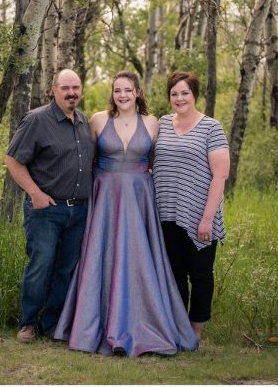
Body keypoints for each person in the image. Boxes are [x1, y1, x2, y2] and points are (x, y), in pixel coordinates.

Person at [51, 71, 198, 356]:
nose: (122, 96)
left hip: (140, 197)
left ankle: (146, 322)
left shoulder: (154, 123)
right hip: (105, 196)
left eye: (128, 90)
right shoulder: (97, 120)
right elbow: (85, 158)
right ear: (112, 93)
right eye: (117, 90)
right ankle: (94, 325)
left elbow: (161, 159)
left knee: (140, 258)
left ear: (138, 91)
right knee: (101, 256)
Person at [6, 69, 94, 342]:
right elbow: (13, 161)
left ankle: (53, 325)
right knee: (41, 265)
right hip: (46, 209)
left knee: (65, 269)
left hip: (79, 210)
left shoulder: (83, 122)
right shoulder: (36, 120)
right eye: (66, 87)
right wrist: (35, 193)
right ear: (54, 89)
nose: (72, 93)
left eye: (76, 87)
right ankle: (28, 323)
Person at [153, 71, 230, 341]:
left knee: (200, 273)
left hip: (199, 213)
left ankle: (195, 331)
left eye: (185, 93)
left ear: (195, 95)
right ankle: (177, 328)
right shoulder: (161, 123)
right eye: (174, 94)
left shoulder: (211, 127)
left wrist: (207, 218)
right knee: (173, 273)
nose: (179, 98)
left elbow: (220, 175)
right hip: (165, 212)